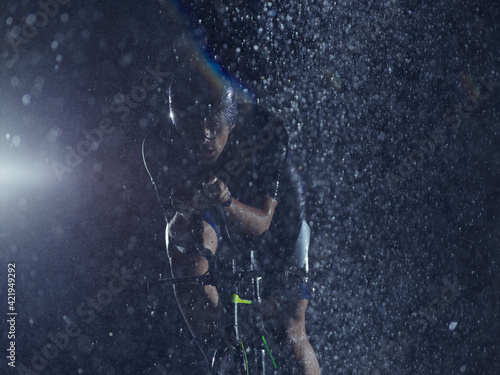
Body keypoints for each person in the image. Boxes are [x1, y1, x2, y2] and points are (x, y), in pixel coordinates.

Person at [143, 60, 321, 374]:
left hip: (277, 216)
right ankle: (217, 345)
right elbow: (180, 233)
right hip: (212, 212)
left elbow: (264, 226)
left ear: (231, 120)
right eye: (191, 127)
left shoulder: (265, 128)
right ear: (176, 123)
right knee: (180, 240)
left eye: (213, 126)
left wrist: (227, 200)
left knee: (289, 329)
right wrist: (185, 211)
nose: (204, 137)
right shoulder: (159, 144)